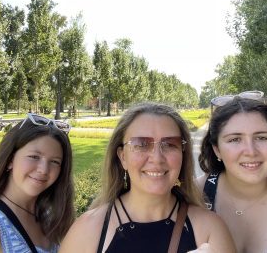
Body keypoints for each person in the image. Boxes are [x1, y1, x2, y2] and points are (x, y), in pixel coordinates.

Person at [60, 102, 235, 253]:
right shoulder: (87, 231)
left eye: (169, 144)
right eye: (141, 144)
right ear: (122, 157)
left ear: (182, 154)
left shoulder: (209, 230)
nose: (157, 158)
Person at [197, 93, 267, 253]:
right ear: (217, 150)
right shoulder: (193, 195)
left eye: (261, 138)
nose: (250, 151)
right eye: (235, 139)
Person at [0, 113, 75, 252]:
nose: (43, 170)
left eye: (55, 161)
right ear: (10, 160)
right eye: (34, 157)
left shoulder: (50, 215)